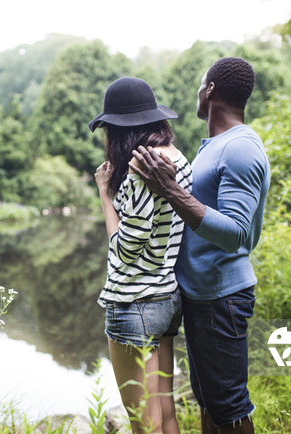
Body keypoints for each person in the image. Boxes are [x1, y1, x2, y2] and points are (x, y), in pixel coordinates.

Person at [129, 57, 270, 434]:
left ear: (210, 90)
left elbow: (238, 231)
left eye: (199, 83)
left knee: (229, 407)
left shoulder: (240, 148)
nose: (196, 90)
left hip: (221, 298)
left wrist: (171, 189)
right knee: (208, 400)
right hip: (202, 295)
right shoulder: (216, 146)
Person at [89, 77, 193, 434]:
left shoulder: (138, 173)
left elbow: (125, 250)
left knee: (142, 425)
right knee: (165, 414)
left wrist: (104, 194)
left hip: (133, 304)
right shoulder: (179, 158)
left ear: (118, 131)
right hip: (167, 298)